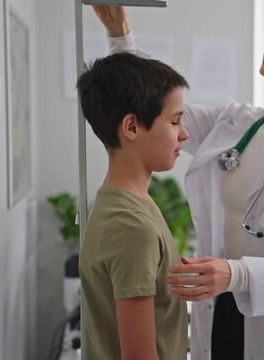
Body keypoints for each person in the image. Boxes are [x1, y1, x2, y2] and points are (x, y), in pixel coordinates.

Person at [94, 4, 264, 359]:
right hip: (220, 306)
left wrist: (236, 274)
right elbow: (159, 110)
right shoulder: (235, 124)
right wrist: (120, 36)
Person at [77, 52, 190, 360]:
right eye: (174, 121)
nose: (184, 133)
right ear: (131, 127)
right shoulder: (131, 227)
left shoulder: (128, 202)